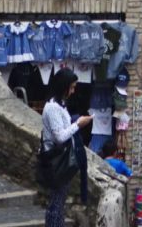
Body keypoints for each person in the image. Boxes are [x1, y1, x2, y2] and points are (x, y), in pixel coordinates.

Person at [40, 68, 93, 227]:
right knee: (56, 202)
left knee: (59, 201)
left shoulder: (60, 105)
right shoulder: (52, 108)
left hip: (62, 159)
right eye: (71, 87)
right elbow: (60, 136)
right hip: (57, 160)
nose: (73, 91)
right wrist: (78, 124)